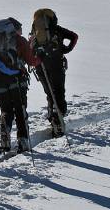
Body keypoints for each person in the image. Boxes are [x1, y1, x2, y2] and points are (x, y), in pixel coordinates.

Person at [0, 18, 39, 154]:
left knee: (6, 110)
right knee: (20, 109)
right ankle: (22, 141)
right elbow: (32, 61)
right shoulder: (19, 41)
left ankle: (5, 134)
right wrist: (40, 56)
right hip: (17, 79)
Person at [29, 9, 78, 137]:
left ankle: (53, 118)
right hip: (57, 64)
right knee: (59, 91)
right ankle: (59, 118)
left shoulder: (35, 32)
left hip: (41, 67)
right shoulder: (57, 29)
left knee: (50, 92)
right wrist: (66, 49)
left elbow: (30, 48)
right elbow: (74, 36)